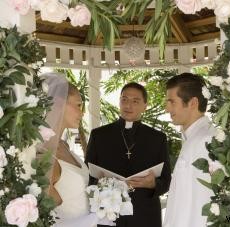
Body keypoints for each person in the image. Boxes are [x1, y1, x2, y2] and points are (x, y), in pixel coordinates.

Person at [85, 82, 171, 227]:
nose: (128, 105)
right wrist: (101, 183)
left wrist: (153, 184)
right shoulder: (99, 135)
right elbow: (88, 175)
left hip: (145, 216)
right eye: (124, 99)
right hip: (108, 216)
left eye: (135, 101)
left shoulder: (157, 138)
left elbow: (166, 181)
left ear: (145, 105)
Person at [40, 73, 110, 227]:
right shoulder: (44, 154)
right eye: (78, 105)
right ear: (59, 103)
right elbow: (48, 210)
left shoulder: (64, 145)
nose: (82, 112)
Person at [163, 73, 215, 227]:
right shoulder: (193, 138)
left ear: (193, 103)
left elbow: (201, 203)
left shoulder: (205, 140)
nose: (167, 108)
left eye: (172, 102)